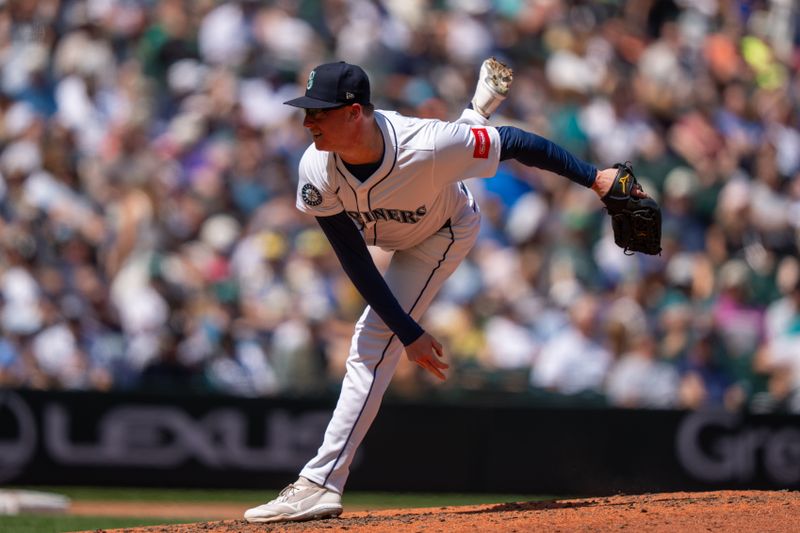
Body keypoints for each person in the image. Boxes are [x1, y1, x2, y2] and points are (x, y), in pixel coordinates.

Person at [244, 58, 638, 523]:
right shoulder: (316, 168)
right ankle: (476, 108)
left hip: (442, 230)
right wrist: (409, 330)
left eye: (319, 112)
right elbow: (354, 259)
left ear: (354, 113)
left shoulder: (424, 143)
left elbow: (517, 143)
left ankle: (321, 483)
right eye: (306, 111)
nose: (307, 121)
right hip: (384, 233)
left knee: (370, 343)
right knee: (388, 327)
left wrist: (596, 178)